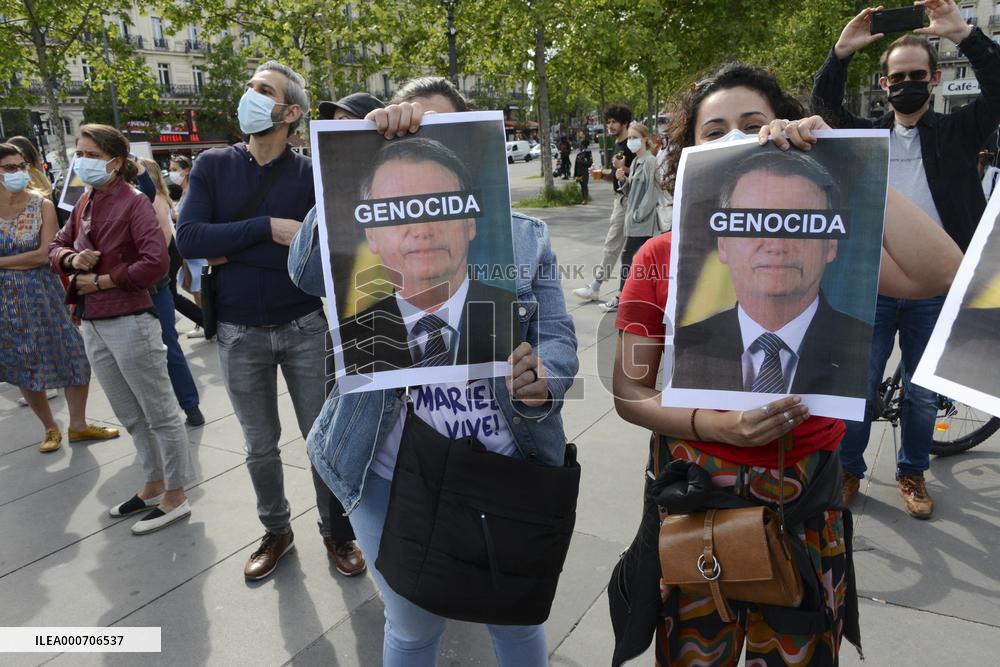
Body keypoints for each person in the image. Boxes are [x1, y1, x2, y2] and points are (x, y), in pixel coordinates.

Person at [611, 62, 961, 666]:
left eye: (754, 125)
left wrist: (842, 160)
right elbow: (628, 392)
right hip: (697, 502)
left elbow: (941, 271)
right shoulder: (658, 257)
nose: (737, 140)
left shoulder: (834, 233)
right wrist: (715, 427)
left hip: (806, 511)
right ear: (691, 152)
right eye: (715, 132)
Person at [291, 76, 578, 667]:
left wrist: (545, 374)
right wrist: (352, 152)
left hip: (504, 466)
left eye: (439, 139)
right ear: (371, 227)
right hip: (385, 471)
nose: (421, 219)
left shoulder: (527, 240)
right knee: (412, 624)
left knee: (516, 616)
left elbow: (559, 337)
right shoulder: (357, 269)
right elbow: (302, 269)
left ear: (471, 216)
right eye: (408, 135)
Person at [811, 0, 1000, 518]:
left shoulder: (959, 132)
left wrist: (966, 35)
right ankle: (849, 470)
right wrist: (842, 52)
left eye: (917, 74)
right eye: (898, 76)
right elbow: (823, 108)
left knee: (919, 395)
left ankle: (911, 472)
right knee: (858, 389)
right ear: (886, 81)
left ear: (934, 79)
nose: (906, 83)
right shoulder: (865, 134)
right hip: (872, 283)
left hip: (938, 291)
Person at [176, 61, 364, 580]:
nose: (249, 96)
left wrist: (231, 245)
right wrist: (268, 229)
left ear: (290, 112)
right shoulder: (213, 164)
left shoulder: (311, 174)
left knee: (322, 439)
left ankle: (337, 532)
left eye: (263, 90)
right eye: (250, 87)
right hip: (238, 332)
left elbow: (325, 256)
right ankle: (277, 530)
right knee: (259, 446)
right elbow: (189, 240)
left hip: (305, 326)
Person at [48, 124, 191, 535]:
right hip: (92, 321)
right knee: (131, 415)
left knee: (160, 413)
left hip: (130, 319)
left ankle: (176, 495)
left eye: (90, 154)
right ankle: (152, 484)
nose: (82, 161)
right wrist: (73, 260)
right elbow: (58, 245)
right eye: (80, 152)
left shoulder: (134, 202)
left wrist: (105, 280)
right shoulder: (85, 200)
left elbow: (157, 262)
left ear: (114, 159)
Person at [671, 150, 871, 397]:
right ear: (723, 244)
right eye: (755, 222)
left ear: (831, 244)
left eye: (798, 225)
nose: (776, 244)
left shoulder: (862, 345)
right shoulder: (688, 347)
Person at [337, 136, 516, 375]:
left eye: (439, 207)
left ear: (470, 222)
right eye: (397, 212)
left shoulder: (517, 316)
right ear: (371, 235)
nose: (422, 229)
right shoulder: (351, 340)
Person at [0, 142, 118, 452]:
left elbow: (43, 255)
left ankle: (78, 424)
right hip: (5, 302)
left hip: (45, 294)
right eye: (9, 168)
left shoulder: (41, 205)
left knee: (74, 355)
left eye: (21, 166)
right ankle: (50, 427)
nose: (18, 173)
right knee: (23, 362)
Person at [138, 156, 203, 427]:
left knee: (169, 345)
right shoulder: (93, 201)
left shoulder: (147, 197)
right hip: (134, 286)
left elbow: (164, 236)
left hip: (153, 280)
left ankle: (190, 406)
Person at [572, 105, 635, 310]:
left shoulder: (630, 145)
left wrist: (621, 169)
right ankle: (611, 290)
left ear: (625, 123)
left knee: (615, 246)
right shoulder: (617, 145)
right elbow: (617, 175)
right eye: (608, 121)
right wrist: (602, 173)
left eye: (614, 121)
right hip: (620, 199)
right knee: (625, 249)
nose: (610, 125)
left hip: (629, 201)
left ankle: (598, 287)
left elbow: (639, 172)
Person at [608, 121, 659, 314]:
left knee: (627, 255)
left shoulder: (650, 161)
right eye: (629, 138)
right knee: (643, 259)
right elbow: (633, 191)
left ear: (645, 139)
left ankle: (622, 297)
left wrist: (639, 215)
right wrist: (623, 180)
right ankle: (639, 297)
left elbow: (652, 192)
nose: (631, 141)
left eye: (635, 138)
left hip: (642, 222)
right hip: (635, 220)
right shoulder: (637, 161)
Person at [166, 154, 205, 338]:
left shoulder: (192, 190)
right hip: (188, 248)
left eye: (175, 169)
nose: (172, 173)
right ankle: (205, 320)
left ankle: (205, 322)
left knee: (197, 286)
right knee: (192, 284)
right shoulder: (184, 191)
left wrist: (175, 216)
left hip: (194, 247)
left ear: (187, 170)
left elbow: (194, 216)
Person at [573, 138, 592, 203]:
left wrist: (582, 162)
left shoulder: (588, 153)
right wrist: (575, 174)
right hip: (579, 172)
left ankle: (585, 199)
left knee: (584, 185)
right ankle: (583, 198)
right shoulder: (578, 154)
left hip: (584, 172)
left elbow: (590, 163)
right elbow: (576, 165)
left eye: (580, 145)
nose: (579, 146)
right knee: (582, 186)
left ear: (583, 145)